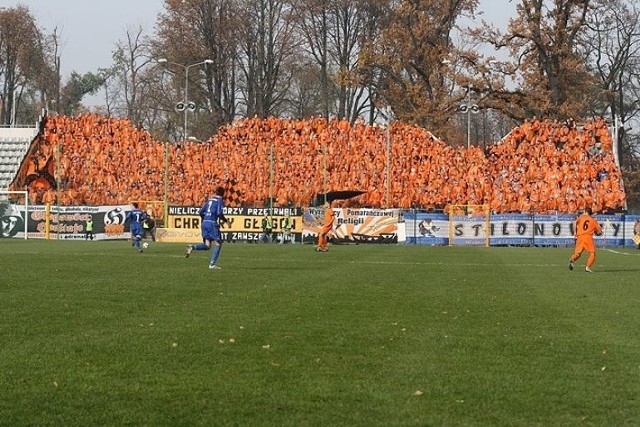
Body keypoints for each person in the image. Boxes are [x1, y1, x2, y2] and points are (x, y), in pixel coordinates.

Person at [185, 186, 229, 269]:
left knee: (207, 245)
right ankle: (212, 265)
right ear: (223, 194)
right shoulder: (219, 200)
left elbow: (201, 211)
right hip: (212, 223)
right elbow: (219, 213)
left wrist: (204, 219)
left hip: (204, 223)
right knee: (218, 243)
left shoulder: (210, 200)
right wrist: (226, 221)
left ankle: (192, 247)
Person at [569, 207, 603, 273]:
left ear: (585, 212)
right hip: (588, 237)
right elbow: (599, 232)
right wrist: (600, 232)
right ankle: (588, 267)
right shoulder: (593, 220)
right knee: (592, 253)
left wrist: (575, 232)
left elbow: (574, 222)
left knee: (577, 254)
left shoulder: (581, 218)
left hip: (580, 237)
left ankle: (572, 259)